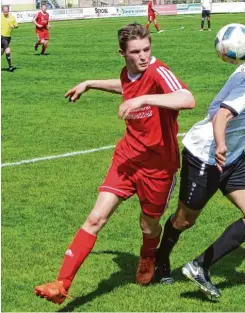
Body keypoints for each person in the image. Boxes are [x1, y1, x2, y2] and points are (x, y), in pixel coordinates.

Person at [34, 23, 195, 305]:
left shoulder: (158, 71)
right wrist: (90, 83)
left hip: (159, 167)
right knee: (96, 218)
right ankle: (61, 283)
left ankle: (148, 256)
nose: (143, 56)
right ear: (122, 53)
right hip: (127, 159)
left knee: (148, 225)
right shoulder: (129, 72)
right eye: (135, 52)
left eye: (147, 49)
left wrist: (143, 99)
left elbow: (187, 98)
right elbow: (126, 84)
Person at [155, 17, 245, 298]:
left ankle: (199, 266)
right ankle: (159, 261)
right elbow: (222, 115)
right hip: (205, 155)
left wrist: (227, 150)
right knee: (184, 221)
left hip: (232, 158)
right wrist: (220, 145)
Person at [1, 5, 18, 72]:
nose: (5, 11)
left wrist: (14, 26)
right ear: (2, 10)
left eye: (6, 10)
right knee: (7, 49)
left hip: (8, 37)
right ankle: (10, 66)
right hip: (2, 36)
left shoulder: (12, 17)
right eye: (4, 10)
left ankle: (10, 66)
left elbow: (16, 25)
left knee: (1, 51)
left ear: (8, 10)